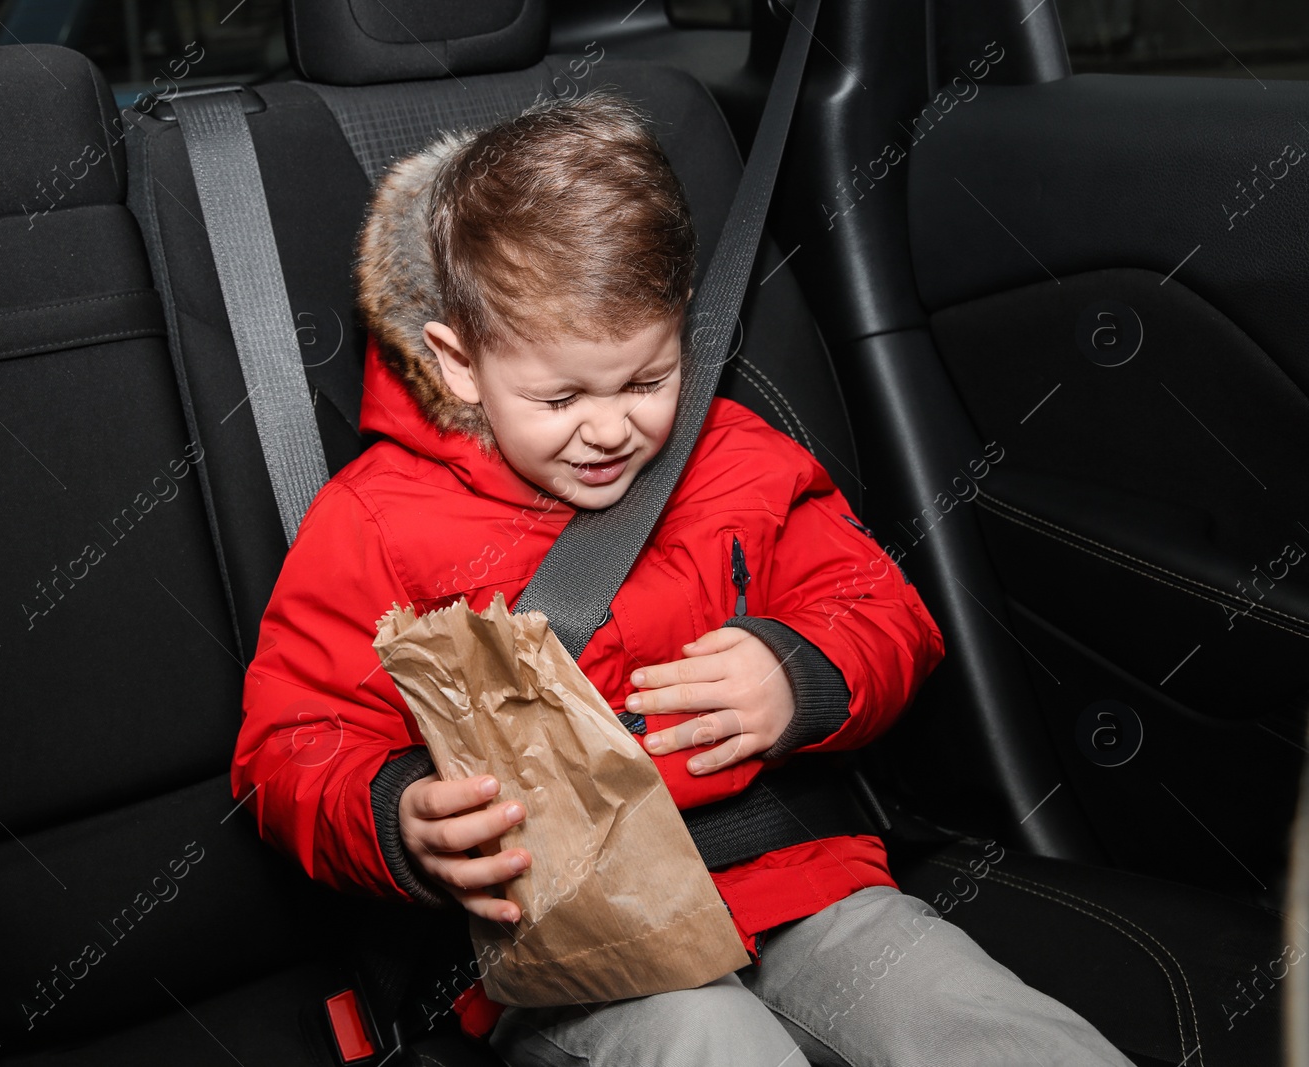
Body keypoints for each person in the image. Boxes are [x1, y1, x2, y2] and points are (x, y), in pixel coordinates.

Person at [232, 90, 1134, 1066]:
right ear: (457, 362)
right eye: (561, 394)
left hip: (801, 883)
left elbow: (884, 612)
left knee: (970, 1017)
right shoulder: (376, 520)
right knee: (710, 1040)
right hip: (578, 945)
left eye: (646, 379)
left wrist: (799, 672)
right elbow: (293, 739)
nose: (611, 426)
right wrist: (400, 813)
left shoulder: (739, 459)